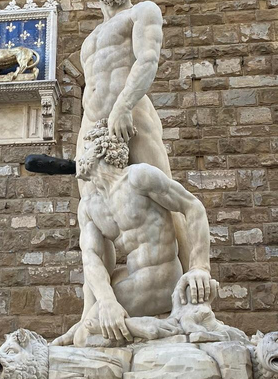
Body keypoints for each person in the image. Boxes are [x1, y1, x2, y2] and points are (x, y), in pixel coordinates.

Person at [73, 0, 192, 336]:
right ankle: (91, 312)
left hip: (132, 117)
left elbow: (148, 59)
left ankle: (190, 297)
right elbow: (91, 88)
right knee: (91, 217)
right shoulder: (90, 38)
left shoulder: (143, 11)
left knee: (166, 199)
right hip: (91, 126)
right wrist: (86, 131)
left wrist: (123, 105)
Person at [55, 120, 213, 347]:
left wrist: (199, 267)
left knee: (85, 335)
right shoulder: (89, 206)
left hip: (162, 277)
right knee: (93, 317)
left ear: (99, 149)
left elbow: (192, 206)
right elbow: (92, 259)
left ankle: (153, 329)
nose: (77, 157)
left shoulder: (138, 177)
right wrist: (106, 301)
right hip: (133, 280)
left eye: (84, 149)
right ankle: (141, 326)